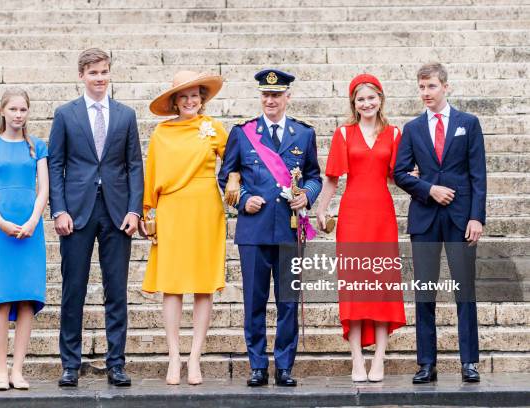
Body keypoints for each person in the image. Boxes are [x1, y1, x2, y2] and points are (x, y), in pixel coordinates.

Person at [218, 69, 322, 387]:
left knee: (288, 301)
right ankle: (258, 365)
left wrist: (307, 195)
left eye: (276, 95)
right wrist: (243, 199)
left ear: (287, 97)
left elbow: (315, 176)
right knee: (255, 300)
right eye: (266, 95)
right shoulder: (243, 132)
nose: (270, 100)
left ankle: (285, 365)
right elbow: (227, 175)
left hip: (290, 230)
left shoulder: (303, 134)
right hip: (254, 230)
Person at [48, 48, 144, 387]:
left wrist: (135, 209)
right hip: (76, 212)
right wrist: (58, 209)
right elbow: (55, 164)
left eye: (104, 72)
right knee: (74, 288)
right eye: (93, 73)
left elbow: (135, 164)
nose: (100, 78)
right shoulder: (65, 114)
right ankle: (70, 364)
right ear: (81, 76)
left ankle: (116, 362)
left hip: (117, 212)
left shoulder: (125, 114)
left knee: (116, 290)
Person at [394, 62, 486, 384]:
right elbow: (400, 173)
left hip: (462, 219)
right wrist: (429, 189)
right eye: (421, 87)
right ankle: (426, 363)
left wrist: (477, 216)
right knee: (425, 292)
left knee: (465, 291)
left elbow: (478, 175)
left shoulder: (468, 124)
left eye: (431, 86)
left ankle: (469, 362)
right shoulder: (412, 128)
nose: (425, 93)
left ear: (445, 87)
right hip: (425, 219)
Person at [316, 74, 406, 382]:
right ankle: (357, 359)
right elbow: (332, 178)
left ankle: (379, 359)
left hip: (382, 216)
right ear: (353, 104)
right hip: (353, 216)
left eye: (371, 97)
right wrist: (322, 207)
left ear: (380, 99)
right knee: (354, 287)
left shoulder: (394, 134)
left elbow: (399, 176)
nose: (366, 103)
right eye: (360, 99)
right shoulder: (344, 133)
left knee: (382, 287)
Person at [140, 70, 227, 385]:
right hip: (172, 209)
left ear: (201, 99)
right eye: (184, 96)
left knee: (203, 284)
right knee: (173, 285)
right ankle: (174, 356)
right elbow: (151, 174)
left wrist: (232, 179)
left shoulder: (214, 128)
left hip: (205, 208)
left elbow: (234, 163)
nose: (190, 101)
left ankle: (195, 358)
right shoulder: (161, 133)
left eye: (195, 95)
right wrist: (147, 212)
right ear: (174, 101)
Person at [0, 88, 48, 391]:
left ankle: (18, 370)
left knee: (27, 299)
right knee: (1, 300)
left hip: (31, 229)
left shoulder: (38, 147)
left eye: (24, 110)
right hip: (0, 228)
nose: (19, 114)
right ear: (2, 111)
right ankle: (1, 371)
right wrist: (0, 221)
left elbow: (44, 188)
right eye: (14, 109)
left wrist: (33, 220)